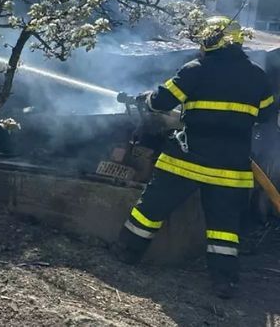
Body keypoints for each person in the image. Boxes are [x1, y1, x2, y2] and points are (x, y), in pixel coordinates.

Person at [114, 16, 275, 299]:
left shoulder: (195, 69)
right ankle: (224, 282)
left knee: (150, 209)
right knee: (224, 230)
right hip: (231, 168)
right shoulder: (257, 76)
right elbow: (266, 116)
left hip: (186, 161)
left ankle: (125, 252)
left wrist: (145, 98)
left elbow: (161, 102)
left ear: (208, 40)